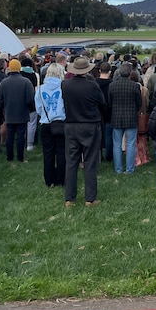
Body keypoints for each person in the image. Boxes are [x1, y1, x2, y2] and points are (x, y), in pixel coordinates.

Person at [62, 57, 106, 208]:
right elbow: (102, 102)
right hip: (89, 125)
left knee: (71, 162)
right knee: (90, 161)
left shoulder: (65, 84)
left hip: (71, 125)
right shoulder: (92, 86)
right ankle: (90, 198)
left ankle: (70, 198)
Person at [0, 59, 35, 163]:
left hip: (9, 112)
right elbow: (30, 99)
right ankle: (20, 157)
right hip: (22, 112)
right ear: (19, 68)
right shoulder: (26, 82)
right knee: (21, 136)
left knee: (10, 135)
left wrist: (4, 107)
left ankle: (9, 157)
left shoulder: (4, 82)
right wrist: (29, 108)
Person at [107, 63, 143, 174]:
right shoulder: (135, 86)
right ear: (130, 73)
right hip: (131, 117)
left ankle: (118, 169)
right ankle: (129, 169)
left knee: (117, 144)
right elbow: (139, 102)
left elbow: (109, 102)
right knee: (131, 144)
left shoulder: (112, 85)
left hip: (116, 117)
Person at [35, 63, 66, 188]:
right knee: (61, 152)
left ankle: (49, 180)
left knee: (48, 153)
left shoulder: (40, 89)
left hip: (46, 123)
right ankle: (60, 178)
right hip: (61, 122)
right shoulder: (63, 87)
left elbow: (38, 108)